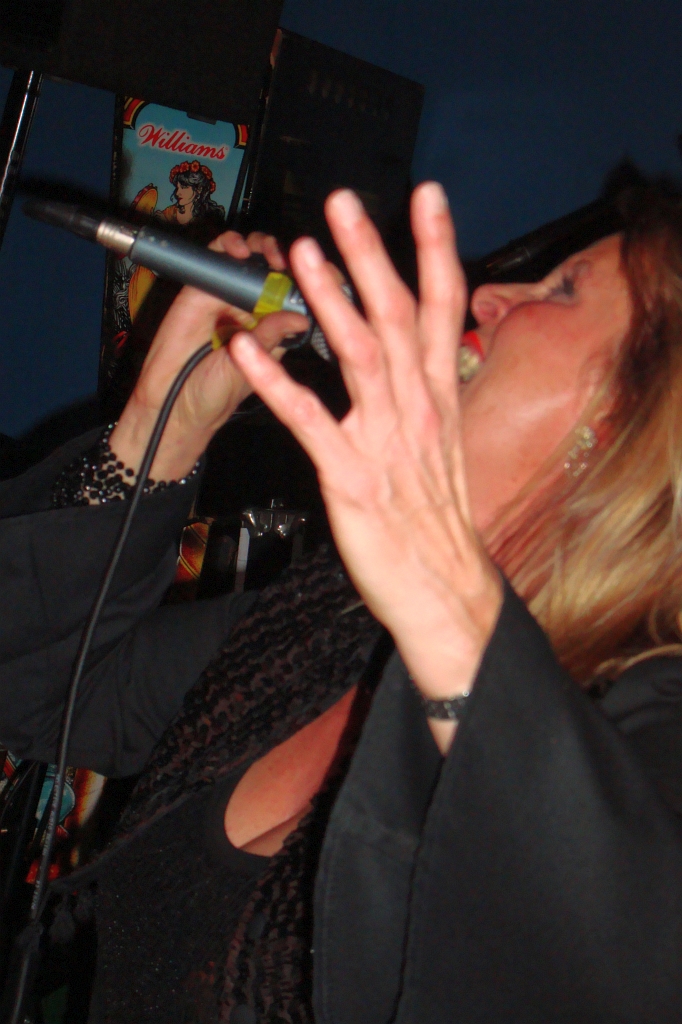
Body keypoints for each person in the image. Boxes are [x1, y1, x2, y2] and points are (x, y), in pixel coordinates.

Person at [0, 179, 681, 1023]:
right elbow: (41, 691)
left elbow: (618, 956)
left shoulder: (643, 725)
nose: (490, 297)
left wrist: (445, 606)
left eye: (564, 289)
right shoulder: (339, 621)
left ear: (632, 428)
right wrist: (158, 429)